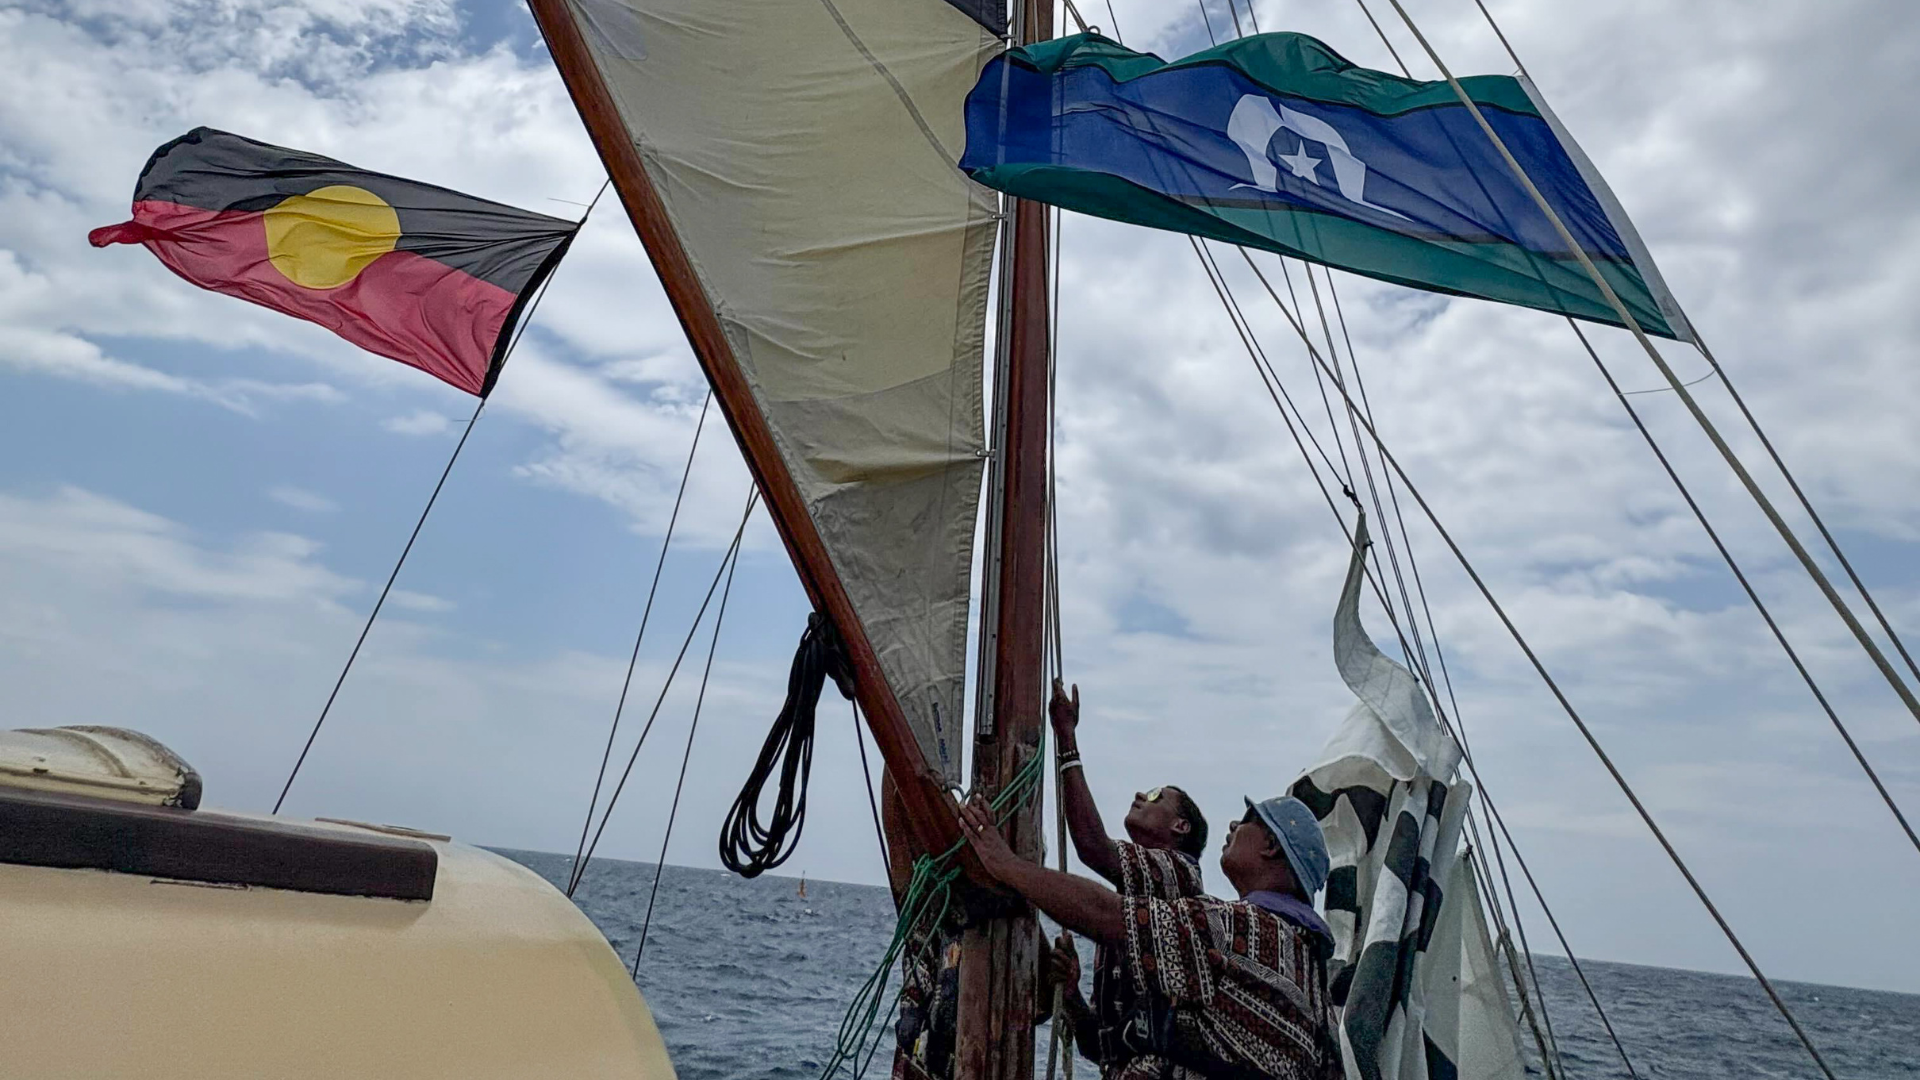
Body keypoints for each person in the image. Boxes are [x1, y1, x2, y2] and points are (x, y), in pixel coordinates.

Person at [961, 791, 1341, 1080]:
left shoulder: (1239, 928)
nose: (1232, 827)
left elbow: (1103, 908)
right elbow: (1114, 1045)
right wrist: (1074, 999)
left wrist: (1005, 864)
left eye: (1246, 821)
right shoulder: (1315, 984)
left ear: (1271, 846)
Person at [1044, 679, 1212, 1078]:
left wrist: (1066, 739)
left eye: (1156, 795)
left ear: (1180, 825)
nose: (1141, 794)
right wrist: (1070, 996)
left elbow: (1090, 845)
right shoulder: (1124, 916)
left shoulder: (1180, 874)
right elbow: (1098, 1046)